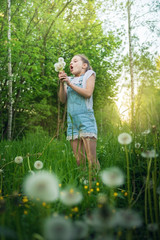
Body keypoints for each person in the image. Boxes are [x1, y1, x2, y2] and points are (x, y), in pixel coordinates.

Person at [58, 54, 100, 175]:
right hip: (72, 123)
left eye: (75, 61)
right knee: (78, 161)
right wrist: (62, 83)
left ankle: (97, 185)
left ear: (84, 65)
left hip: (86, 119)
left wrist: (70, 84)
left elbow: (88, 93)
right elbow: (62, 99)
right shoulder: (69, 79)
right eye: (71, 61)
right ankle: (84, 183)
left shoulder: (89, 74)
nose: (72, 63)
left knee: (91, 158)